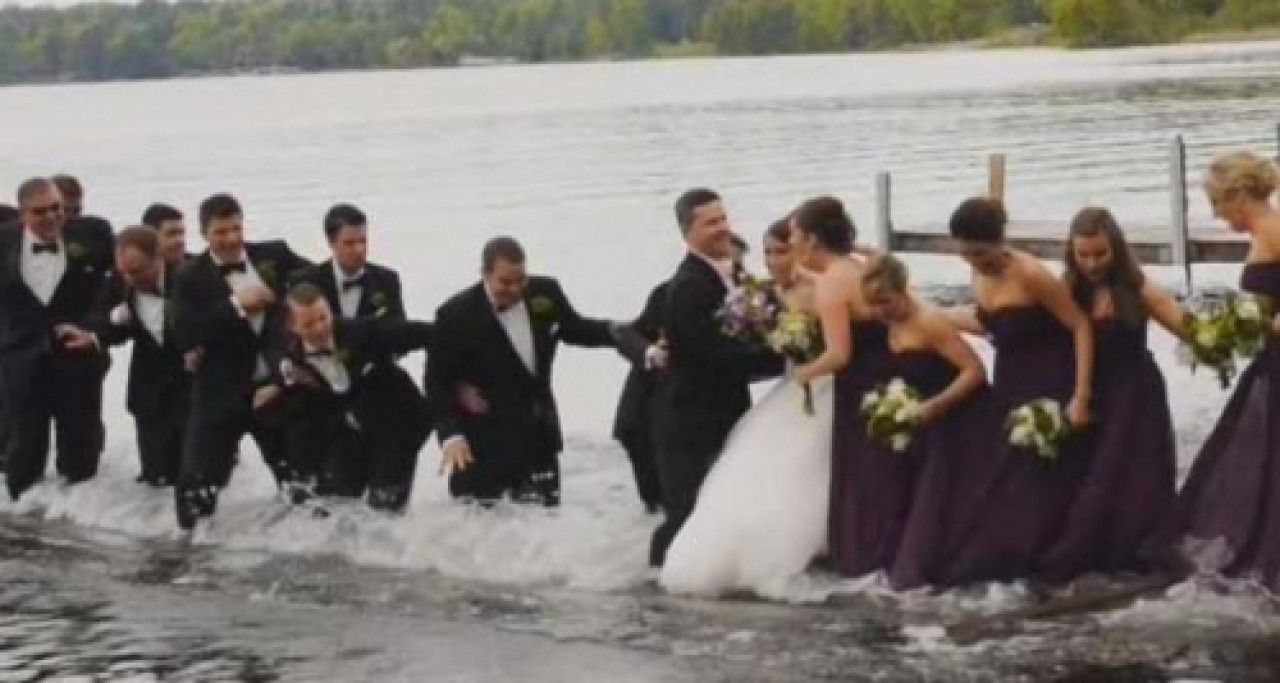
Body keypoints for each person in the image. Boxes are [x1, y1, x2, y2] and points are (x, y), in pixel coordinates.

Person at [660, 220, 824, 598]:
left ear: (800, 250)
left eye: (781, 251)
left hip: (815, 382)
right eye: (766, 252)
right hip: (789, 386)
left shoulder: (817, 290)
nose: (771, 260)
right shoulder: (761, 295)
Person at [935, 196, 1095, 585]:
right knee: (1005, 467)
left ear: (999, 240)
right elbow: (993, 325)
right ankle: (1011, 552)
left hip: (1049, 377)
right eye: (967, 254)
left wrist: (1081, 395)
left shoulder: (1032, 275)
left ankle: (1048, 554)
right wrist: (933, 317)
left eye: (982, 252)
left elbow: (1079, 327)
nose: (976, 262)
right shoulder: (978, 275)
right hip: (1009, 377)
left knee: (1039, 469)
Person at [1033, 207, 1182, 582]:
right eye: (1083, 255)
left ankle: (1136, 552)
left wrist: (1232, 332)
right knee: (1091, 475)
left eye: (1100, 253)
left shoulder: (1137, 287)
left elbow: (1186, 326)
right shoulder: (1065, 289)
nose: (1092, 263)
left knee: (1137, 474)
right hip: (1089, 391)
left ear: (1115, 247)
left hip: (1135, 393)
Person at [429, 236, 619, 507]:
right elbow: (437, 381)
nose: (516, 289)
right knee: (475, 532)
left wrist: (624, 333)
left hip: (538, 436)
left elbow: (577, 329)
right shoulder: (456, 314)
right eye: (505, 282)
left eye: (521, 280)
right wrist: (451, 435)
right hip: (481, 446)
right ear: (484, 274)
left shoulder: (546, 292)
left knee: (547, 524)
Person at [649, 190, 784, 567]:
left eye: (723, 218)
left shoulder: (731, 274)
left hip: (724, 411)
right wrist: (786, 357)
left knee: (718, 507)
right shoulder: (689, 287)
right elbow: (717, 357)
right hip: (688, 422)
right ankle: (658, 584)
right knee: (685, 514)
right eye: (711, 222)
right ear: (686, 231)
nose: (723, 228)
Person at [846, 254, 993, 590]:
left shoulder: (930, 322)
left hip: (955, 420)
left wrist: (935, 405)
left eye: (886, 302)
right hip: (919, 424)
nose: (881, 311)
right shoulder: (890, 323)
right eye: (874, 305)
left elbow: (975, 371)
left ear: (903, 291)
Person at [171, 193, 312, 530]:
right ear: (204, 234)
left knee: (300, 481)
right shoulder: (188, 276)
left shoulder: (274, 255)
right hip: (219, 392)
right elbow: (186, 332)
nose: (232, 239)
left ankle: (303, 548)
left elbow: (316, 284)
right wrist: (236, 305)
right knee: (196, 484)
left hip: (275, 389)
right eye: (221, 232)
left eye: (236, 229)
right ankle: (192, 553)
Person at [1173, 151, 1280, 591]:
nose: (1218, 215)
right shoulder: (1263, 232)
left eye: (1219, 204)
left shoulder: (1274, 229)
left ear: (1239, 196)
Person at [294, 204, 428, 510]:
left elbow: (399, 337)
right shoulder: (305, 281)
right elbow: (285, 335)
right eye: (350, 243)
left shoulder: (387, 280)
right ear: (331, 243)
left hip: (387, 402)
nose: (359, 249)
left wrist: (369, 339)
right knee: (338, 498)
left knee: (388, 500)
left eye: (363, 241)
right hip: (333, 409)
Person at [792, 197, 896, 578]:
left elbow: (838, 355)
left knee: (862, 468)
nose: (793, 244)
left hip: (859, 382)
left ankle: (862, 549)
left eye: (796, 236)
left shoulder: (832, 284)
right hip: (886, 371)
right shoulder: (855, 269)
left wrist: (802, 374)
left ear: (813, 240)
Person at [264, 284, 432, 506]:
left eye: (323, 318)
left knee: (384, 504)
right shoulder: (290, 359)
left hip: (399, 425)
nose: (320, 328)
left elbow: (426, 334)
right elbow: (298, 417)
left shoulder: (362, 332)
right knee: (330, 501)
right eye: (309, 324)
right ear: (292, 327)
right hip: (349, 430)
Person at [0, 178, 114, 498]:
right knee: (22, 453)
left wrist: (95, 330)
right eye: (40, 212)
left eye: (57, 208)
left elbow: (123, 279)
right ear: (22, 214)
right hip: (21, 364)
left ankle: (79, 523)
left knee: (81, 453)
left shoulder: (94, 235)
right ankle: (22, 530)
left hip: (78, 361)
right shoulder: (2, 242)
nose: (52, 217)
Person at [93, 226, 194, 487]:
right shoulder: (119, 282)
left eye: (136, 271)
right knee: (155, 477)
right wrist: (100, 332)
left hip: (191, 389)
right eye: (123, 271)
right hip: (148, 393)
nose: (128, 278)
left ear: (159, 258)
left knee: (195, 473)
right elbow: (100, 321)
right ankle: (152, 524)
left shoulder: (190, 277)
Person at [141, 203, 192, 267]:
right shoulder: (135, 271)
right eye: (171, 234)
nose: (180, 240)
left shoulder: (200, 267)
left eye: (182, 233)